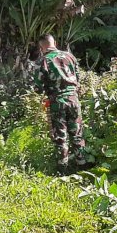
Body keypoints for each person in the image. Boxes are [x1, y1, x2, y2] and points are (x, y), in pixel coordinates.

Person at [32, 34, 86, 173]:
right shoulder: (70, 56)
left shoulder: (42, 61)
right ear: (54, 42)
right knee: (77, 134)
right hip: (74, 100)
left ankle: (62, 170)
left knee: (61, 137)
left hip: (57, 103)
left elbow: (38, 88)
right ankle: (82, 166)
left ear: (41, 47)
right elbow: (78, 78)